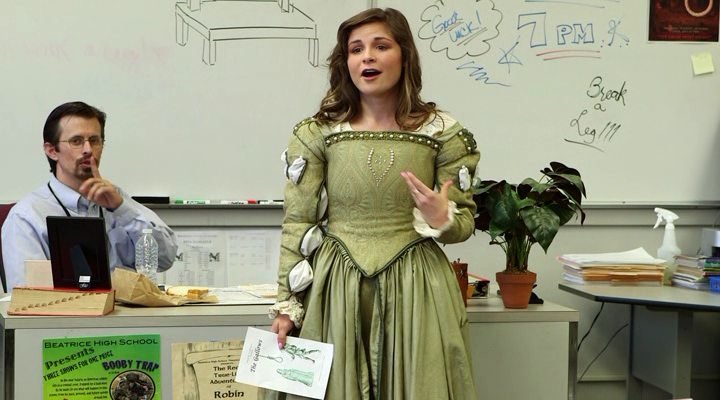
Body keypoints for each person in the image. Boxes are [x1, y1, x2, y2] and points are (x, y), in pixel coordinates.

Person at [266, 8, 480, 400]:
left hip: (417, 287)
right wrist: (286, 304)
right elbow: (298, 221)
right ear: (345, 62)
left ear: (405, 55)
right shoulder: (318, 132)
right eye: (356, 49)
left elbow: (463, 224)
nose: (367, 57)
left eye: (381, 46)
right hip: (335, 286)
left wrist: (442, 218)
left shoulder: (444, 133)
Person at [1, 101, 178, 292]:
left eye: (94, 140)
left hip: (127, 309)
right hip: (67, 311)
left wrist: (121, 209)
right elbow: (28, 297)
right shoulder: (27, 216)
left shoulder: (116, 200)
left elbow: (165, 259)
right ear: (52, 150)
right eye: (76, 141)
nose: (88, 149)